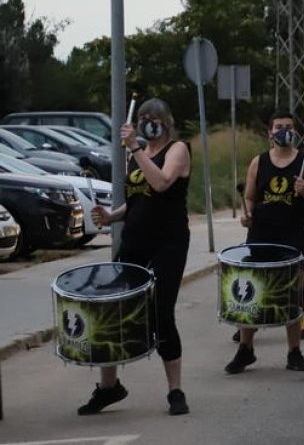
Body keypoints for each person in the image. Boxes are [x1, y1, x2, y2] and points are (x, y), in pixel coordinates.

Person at [82, 98, 191, 416]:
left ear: (167, 122)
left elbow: (160, 183)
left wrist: (134, 148)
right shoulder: (138, 154)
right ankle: (109, 387)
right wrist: (111, 216)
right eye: (143, 117)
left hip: (168, 243)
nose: (148, 123)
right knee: (111, 307)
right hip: (135, 240)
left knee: (161, 311)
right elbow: (137, 199)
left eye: (154, 118)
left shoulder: (178, 150)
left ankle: (175, 390)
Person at [225, 112, 304, 374]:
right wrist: (247, 216)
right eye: (279, 127)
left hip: (293, 236)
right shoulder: (258, 162)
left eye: (289, 127)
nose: (284, 131)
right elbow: (250, 196)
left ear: (296, 132)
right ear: (269, 133)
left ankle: (294, 352)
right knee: (252, 289)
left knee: (291, 292)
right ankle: (245, 349)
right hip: (260, 236)